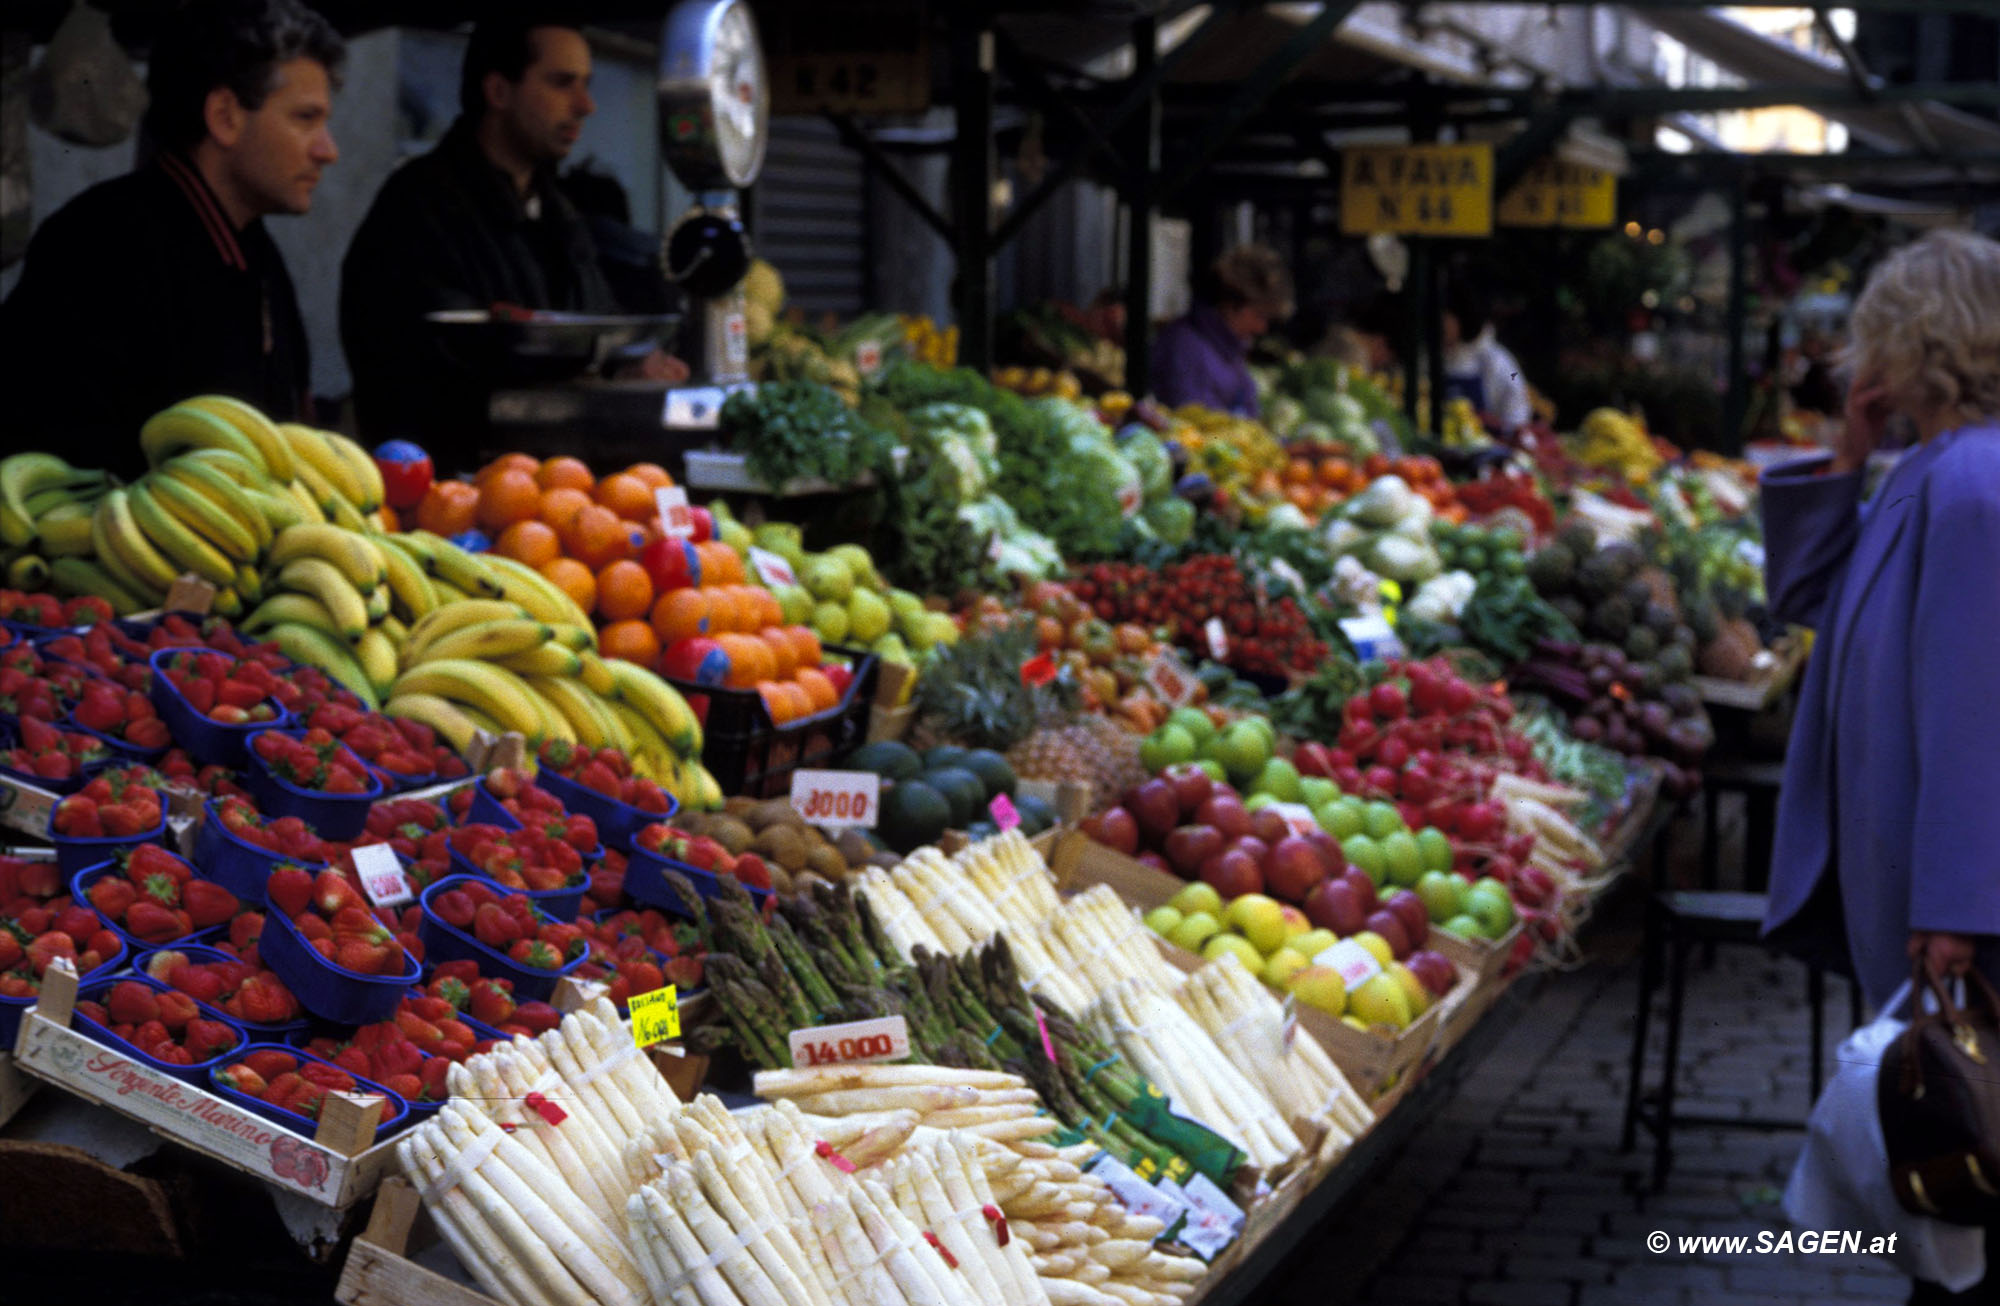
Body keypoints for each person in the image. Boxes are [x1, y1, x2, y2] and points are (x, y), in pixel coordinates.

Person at [1759, 230, 2000, 1302]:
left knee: (1962, 1134)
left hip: (1946, 897)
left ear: (1916, 336)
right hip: (1912, 876)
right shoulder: (1933, 468)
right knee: (1945, 1139)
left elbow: (1972, 704)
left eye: (1872, 335)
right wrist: (1843, 450)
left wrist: (1955, 904)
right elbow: (1808, 600)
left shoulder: (1972, 483)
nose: (1856, 355)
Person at [0, 0, 343, 477]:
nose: (329, 151)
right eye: (306, 119)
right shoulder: (100, 248)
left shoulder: (256, 249)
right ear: (225, 116)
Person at [340, 11, 686, 457]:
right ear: (499, 90)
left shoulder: (560, 213)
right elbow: (429, 371)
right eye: (562, 83)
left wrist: (629, 368)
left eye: (587, 83)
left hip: (558, 489)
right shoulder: (418, 208)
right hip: (449, 494)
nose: (585, 105)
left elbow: (596, 319)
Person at [1150, 246, 1292, 416]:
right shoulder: (1186, 348)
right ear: (1231, 306)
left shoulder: (1229, 348)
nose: (1262, 328)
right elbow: (1194, 421)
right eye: (1259, 316)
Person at [1441, 279, 1531, 434]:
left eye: (1446, 318)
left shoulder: (1497, 360)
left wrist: (1510, 433)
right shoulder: (1434, 358)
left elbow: (1516, 395)